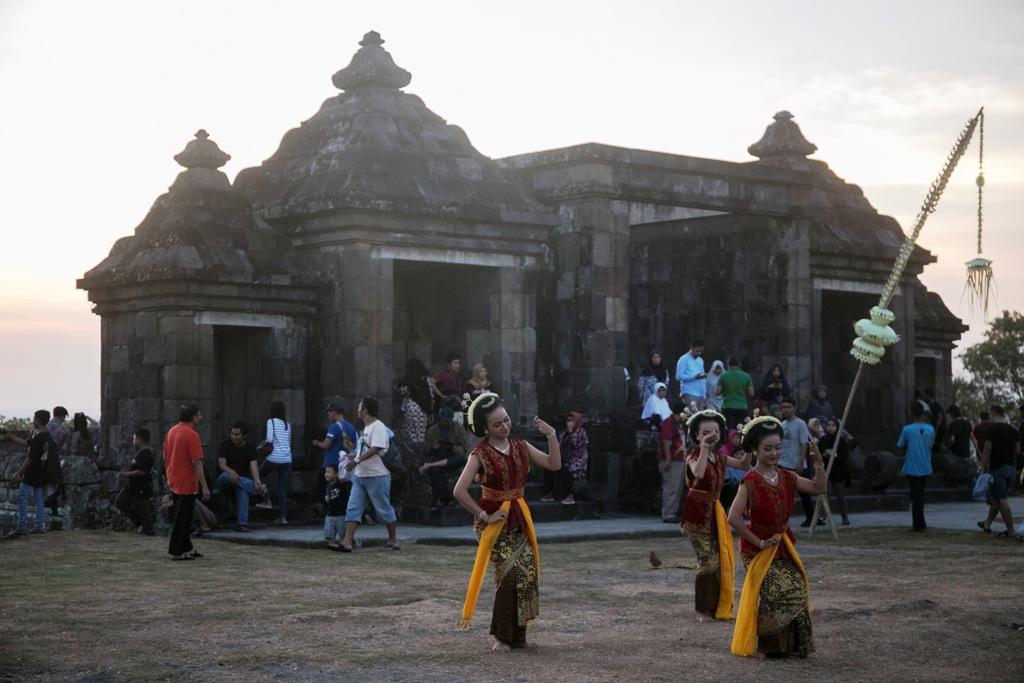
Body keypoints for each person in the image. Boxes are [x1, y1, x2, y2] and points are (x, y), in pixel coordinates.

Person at [452, 392, 561, 651]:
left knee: (526, 571)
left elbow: (553, 464)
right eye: (497, 424)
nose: (504, 426)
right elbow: (459, 490)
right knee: (509, 573)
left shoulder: (521, 445)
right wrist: (483, 515)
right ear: (485, 428)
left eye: (506, 420)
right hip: (494, 521)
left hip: (518, 515)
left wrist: (552, 435)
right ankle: (498, 636)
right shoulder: (480, 453)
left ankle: (517, 635)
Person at [728, 415, 826, 658]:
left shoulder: (787, 476)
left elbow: (819, 489)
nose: (774, 453)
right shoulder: (749, 482)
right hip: (757, 548)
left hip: (783, 544)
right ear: (755, 449)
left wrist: (818, 464)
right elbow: (733, 518)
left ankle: (794, 645)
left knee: (798, 588)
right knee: (778, 591)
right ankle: (773, 648)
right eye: (767, 449)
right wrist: (759, 542)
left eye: (777, 447)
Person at [680, 410, 750, 620]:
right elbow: (699, 474)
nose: (711, 435)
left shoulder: (719, 456)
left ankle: (716, 606)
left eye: (715, 431)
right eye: (705, 432)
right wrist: (703, 448)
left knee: (721, 561)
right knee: (708, 562)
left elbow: (744, 465)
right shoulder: (693, 456)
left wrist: (749, 441)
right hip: (697, 513)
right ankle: (704, 609)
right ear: (697, 436)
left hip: (715, 512)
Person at [340, 396, 399, 552]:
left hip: (377, 475)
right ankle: (347, 541)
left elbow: (376, 448)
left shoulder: (377, 426)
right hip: (361, 475)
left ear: (365, 409)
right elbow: (364, 450)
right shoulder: (366, 428)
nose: (358, 409)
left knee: (383, 509)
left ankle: (393, 540)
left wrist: (357, 460)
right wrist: (349, 450)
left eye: (360, 406)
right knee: (353, 507)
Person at [164, 404, 211, 560]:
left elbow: (166, 455)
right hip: (186, 481)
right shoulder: (191, 434)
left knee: (185, 516)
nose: (200, 418)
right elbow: (197, 462)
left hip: (174, 478)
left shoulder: (172, 431)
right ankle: (176, 551)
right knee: (182, 518)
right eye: (199, 415)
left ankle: (187, 548)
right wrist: (204, 486)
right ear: (193, 417)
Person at [5, 409, 51, 538]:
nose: (33, 420)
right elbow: (27, 443)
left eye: (34, 418)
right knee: (38, 498)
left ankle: (22, 527)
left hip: (33, 471)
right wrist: (13, 437)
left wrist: (19, 472)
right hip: (42, 470)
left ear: (38, 420)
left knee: (21, 496)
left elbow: (30, 457)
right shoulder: (46, 436)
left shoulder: (40, 437)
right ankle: (39, 526)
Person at [977, 405, 1021, 539]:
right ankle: (987, 523)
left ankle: (1011, 530)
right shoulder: (1013, 430)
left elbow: (987, 449)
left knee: (1002, 499)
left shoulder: (992, 428)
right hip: (1010, 468)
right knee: (997, 497)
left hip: (998, 468)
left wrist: (982, 466)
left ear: (993, 413)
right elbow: (1017, 451)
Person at [215, 421, 266, 532]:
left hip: (240, 481)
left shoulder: (250, 448)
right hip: (224, 478)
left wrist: (257, 480)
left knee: (242, 490)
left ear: (244, 436)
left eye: (237, 434)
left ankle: (242, 524)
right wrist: (231, 472)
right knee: (229, 477)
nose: (234, 436)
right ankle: (258, 489)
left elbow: (253, 466)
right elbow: (222, 465)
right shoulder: (225, 445)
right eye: (232, 434)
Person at [419, 407, 469, 511]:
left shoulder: (458, 429)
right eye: (443, 421)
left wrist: (452, 447)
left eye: (448, 421)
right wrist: (433, 447)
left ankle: (431, 465)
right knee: (435, 471)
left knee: (460, 458)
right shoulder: (433, 430)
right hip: (439, 454)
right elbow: (426, 448)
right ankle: (439, 498)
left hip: (453, 456)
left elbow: (464, 449)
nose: (445, 423)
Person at [897, 402, 935, 532]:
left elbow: (900, 445)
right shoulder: (930, 429)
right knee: (920, 494)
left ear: (911, 413)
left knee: (916, 496)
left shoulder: (907, 429)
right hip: (925, 465)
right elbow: (931, 444)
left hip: (913, 466)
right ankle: (919, 523)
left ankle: (918, 524)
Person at [312, 402, 358, 512]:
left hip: (331, 464)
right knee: (343, 490)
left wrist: (316, 443)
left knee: (322, 488)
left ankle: (330, 511)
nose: (328, 416)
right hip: (345, 465)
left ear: (334, 413)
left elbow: (326, 444)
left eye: (329, 413)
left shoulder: (334, 427)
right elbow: (355, 445)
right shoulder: (351, 427)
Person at [778, 398, 817, 528]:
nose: (786, 410)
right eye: (783, 407)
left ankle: (811, 518)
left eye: (788, 407)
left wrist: (801, 462)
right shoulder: (782, 425)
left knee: (804, 493)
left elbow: (804, 443)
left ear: (794, 408)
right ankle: (783, 520)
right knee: (783, 493)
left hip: (797, 463)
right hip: (783, 463)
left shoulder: (800, 423)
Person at [541, 411, 589, 505]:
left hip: (576, 461)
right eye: (568, 421)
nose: (569, 423)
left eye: (572, 421)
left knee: (567, 470)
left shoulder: (581, 433)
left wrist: (572, 432)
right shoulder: (565, 433)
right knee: (550, 467)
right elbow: (558, 446)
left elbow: (576, 447)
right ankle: (551, 492)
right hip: (564, 459)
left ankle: (570, 496)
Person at [257, 400, 292, 525]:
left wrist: (261, 446)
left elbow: (269, 439)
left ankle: (267, 500)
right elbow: (288, 442)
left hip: (274, 457)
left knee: (258, 474)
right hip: (287, 459)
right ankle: (283, 517)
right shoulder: (287, 424)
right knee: (281, 488)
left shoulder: (270, 421)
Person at [115, 427, 155, 535]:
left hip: (141, 486)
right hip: (133, 485)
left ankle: (148, 530)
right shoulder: (140, 453)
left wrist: (127, 474)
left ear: (139, 439)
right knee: (120, 501)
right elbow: (137, 468)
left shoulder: (145, 453)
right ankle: (137, 520)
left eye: (134, 439)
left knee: (143, 509)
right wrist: (128, 470)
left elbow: (142, 471)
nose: (133, 442)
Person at [658, 402, 687, 523]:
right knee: (671, 487)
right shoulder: (668, 422)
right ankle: (668, 513)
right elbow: (666, 441)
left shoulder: (678, 424)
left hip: (679, 459)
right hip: (672, 460)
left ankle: (672, 512)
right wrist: (668, 459)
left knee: (677, 488)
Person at [819, 418, 850, 526]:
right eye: (828, 425)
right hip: (826, 471)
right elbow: (819, 454)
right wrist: (825, 454)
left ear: (836, 427)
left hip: (838, 471)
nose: (830, 428)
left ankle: (844, 516)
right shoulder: (823, 439)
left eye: (833, 425)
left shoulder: (840, 440)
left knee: (840, 494)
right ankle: (823, 517)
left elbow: (845, 455)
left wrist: (835, 455)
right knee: (825, 495)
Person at [397, 359, 433, 443]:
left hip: (408, 408)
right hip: (420, 411)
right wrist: (430, 412)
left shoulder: (406, 379)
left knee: (410, 434)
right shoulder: (424, 380)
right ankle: (418, 453)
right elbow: (427, 397)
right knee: (419, 436)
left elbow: (399, 392)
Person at [45, 405, 70, 516]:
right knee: (56, 484)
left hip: (43, 459)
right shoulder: (63, 429)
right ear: (62, 416)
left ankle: (53, 509)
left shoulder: (46, 426)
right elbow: (65, 447)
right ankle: (54, 502)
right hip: (54, 458)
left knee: (48, 485)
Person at [717, 356, 754, 428]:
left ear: (728, 364)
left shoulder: (723, 376)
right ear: (739, 364)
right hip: (742, 406)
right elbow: (751, 393)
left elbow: (718, 392)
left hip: (727, 406)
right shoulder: (746, 376)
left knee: (729, 429)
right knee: (741, 429)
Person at [675, 339, 707, 409]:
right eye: (697, 351)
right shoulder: (683, 359)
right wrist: (693, 377)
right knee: (692, 417)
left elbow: (702, 377)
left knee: (700, 418)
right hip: (689, 393)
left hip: (700, 394)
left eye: (701, 351)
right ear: (691, 347)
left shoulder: (700, 360)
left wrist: (704, 395)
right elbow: (678, 376)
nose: (699, 353)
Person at [720, 428, 745, 511]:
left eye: (738, 437)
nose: (739, 456)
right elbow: (726, 480)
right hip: (731, 489)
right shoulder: (724, 456)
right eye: (734, 437)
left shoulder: (748, 466)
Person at [323, 464, 346, 549]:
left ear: (336, 474)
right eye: (325, 472)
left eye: (329, 472)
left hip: (341, 514)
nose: (326, 474)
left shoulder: (341, 484)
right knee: (329, 536)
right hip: (330, 514)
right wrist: (327, 498)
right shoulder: (328, 486)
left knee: (343, 535)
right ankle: (332, 546)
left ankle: (354, 543)